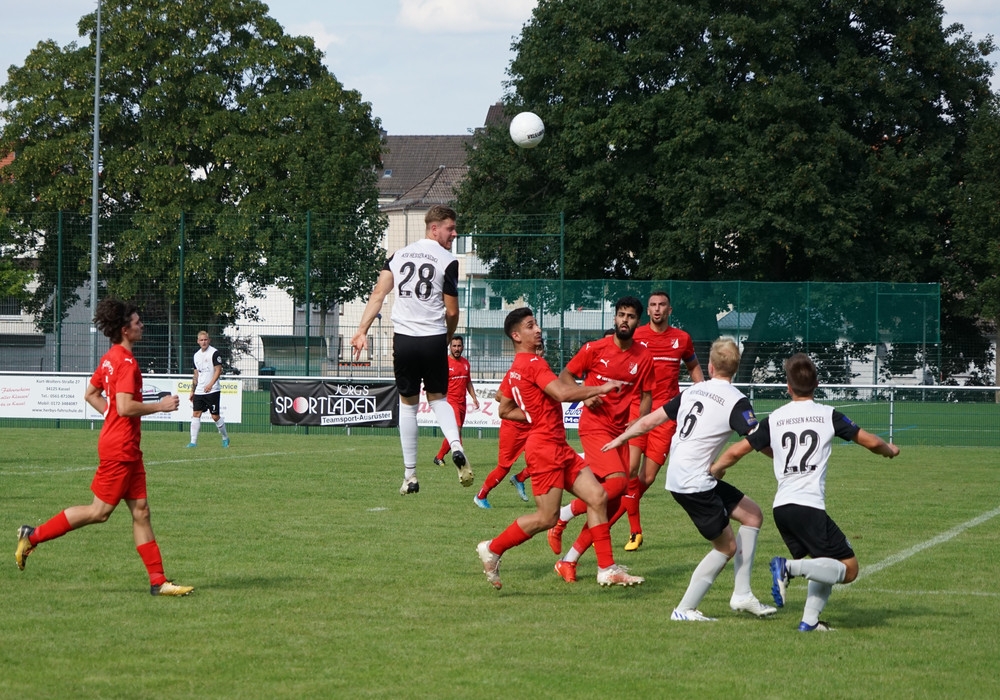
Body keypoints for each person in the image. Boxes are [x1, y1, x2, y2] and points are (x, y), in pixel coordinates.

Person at [15, 298, 194, 596]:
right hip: (119, 449)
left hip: (128, 449)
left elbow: (91, 394)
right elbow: (123, 407)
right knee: (99, 512)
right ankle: (32, 536)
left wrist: (112, 416)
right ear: (125, 330)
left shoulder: (111, 357)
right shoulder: (126, 363)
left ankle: (158, 582)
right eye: (137, 322)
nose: (142, 325)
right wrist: (160, 406)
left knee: (141, 512)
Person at [710, 353, 900, 632]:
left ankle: (810, 621)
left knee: (824, 563)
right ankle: (788, 568)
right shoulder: (827, 415)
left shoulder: (775, 419)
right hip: (808, 506)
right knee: (848, 569)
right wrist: (889, 450)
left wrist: (716, 469)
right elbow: (869, 441)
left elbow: (738, 450)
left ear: (788, 387)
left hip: (782, 508)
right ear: (817, 384)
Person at [603, 338, 776, 620]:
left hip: (685, 475)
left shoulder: (693, 391)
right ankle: (684, 609)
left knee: (753, 515)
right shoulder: (736, 401)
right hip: (694, 483)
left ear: (710, 366)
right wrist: (783, 459)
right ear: (735, 368)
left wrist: (622, 437)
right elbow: (756, 440)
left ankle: (743, 594)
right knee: (726, 547)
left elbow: (650, 421)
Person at [476, 308, 644, 589]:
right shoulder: (532, 364)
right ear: (516, 335)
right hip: (544, 450)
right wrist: (599, 388)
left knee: (598, 496)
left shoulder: (517, 367)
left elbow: (504, 408)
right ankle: (493, 548)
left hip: (558, 446)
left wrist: (534, 415)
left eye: (536, 324)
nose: (538, 329)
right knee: (547, 517)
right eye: (530, 326)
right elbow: (563, 393)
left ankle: (607, 569)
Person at [351, 205, 472, 495]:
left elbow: (378, 294)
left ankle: (410, 476)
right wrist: (447, 336)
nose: (454, 233)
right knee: (439, 399)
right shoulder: (448, 260)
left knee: (408, 405)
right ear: (434, 228)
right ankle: (456, 446)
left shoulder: (397, 256)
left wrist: (362, 331)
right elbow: (452, 311)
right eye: (450, 228)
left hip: (404, 340)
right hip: (433, 339)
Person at [549, 296, 654, 583]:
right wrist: (586, 396)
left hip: (621, 432)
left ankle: (569, 560)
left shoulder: (644, 357)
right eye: (621, 314)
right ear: (615, 318)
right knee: (618, 484)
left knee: (615, 503)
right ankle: (566, 516)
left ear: (637, 321)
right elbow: (565, 377)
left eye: (630, 316)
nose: (624, 320)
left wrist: (638, 422)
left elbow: (646, 395)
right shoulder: (594, 348)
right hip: (594, 426)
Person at [621, 291, 703, 551]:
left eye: (662, 305)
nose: (657, 309)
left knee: (646, 478)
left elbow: (693, 366)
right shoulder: (636, 335)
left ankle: (616, 508)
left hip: (667, 416)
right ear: (647, 310)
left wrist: (702, 391)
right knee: (630, 470)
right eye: (653, 305)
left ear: (670, 310)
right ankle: (635, 530)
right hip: (638, 411)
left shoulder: (682, 339)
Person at [473, 344, 546, 509]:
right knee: (504, 467)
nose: (538, 352)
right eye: (535, 349)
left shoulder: (543, 372)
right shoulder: (516, 372)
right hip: (513, 427)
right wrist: (520, 401)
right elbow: (499, 396)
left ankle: (520, 478)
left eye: (540, 348)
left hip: (532, 425)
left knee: (545, 457)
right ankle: (481, 496)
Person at [433, 335, 480, 467]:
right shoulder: (445, 363)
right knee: (456, 428)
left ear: (463, 347)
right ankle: (459, 455)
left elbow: (468, 382)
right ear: (450, 347)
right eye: (454, 346)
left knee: (456, 431)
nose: (456, 348)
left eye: (459, 346)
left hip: (462, 402)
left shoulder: (466, 363)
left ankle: (439, 457)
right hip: (450, 401)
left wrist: (474, 398)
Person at [187, 330, 230, 448]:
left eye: (205, 340)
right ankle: (193, 442)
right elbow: (196, 374)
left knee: (215, 416)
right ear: (198, 341)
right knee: (196, 413)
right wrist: (192, 390)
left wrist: (210, 384)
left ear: (209, 340)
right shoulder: (196, 355)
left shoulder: (214, 353)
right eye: (201, 340)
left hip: (213, 390)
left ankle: (225, 437)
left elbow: (218, 370)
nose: (203, 342)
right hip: (200, 390)